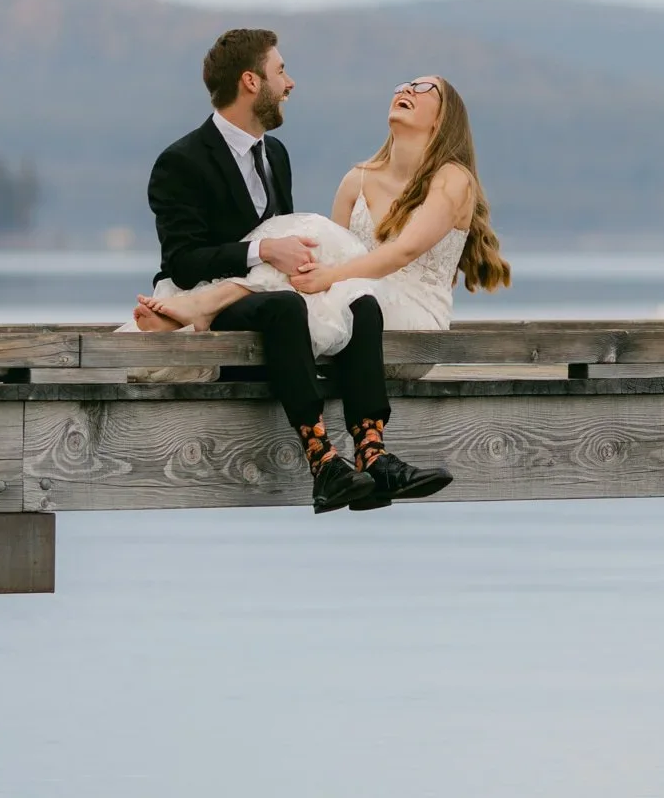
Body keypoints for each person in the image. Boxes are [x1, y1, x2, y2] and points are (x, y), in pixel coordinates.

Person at [136, 28, 461, 514]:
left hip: (274, 302)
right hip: (212, 296)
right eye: (281, 71)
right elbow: (182, 261)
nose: (290, 84)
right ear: (251, 82)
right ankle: (322, 463)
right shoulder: (180, 162)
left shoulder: (276, 156)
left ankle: (372, 454)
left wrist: (292, 260)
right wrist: (265, 251)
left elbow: (287, 240)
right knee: (285, 307)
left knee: (364, 305)